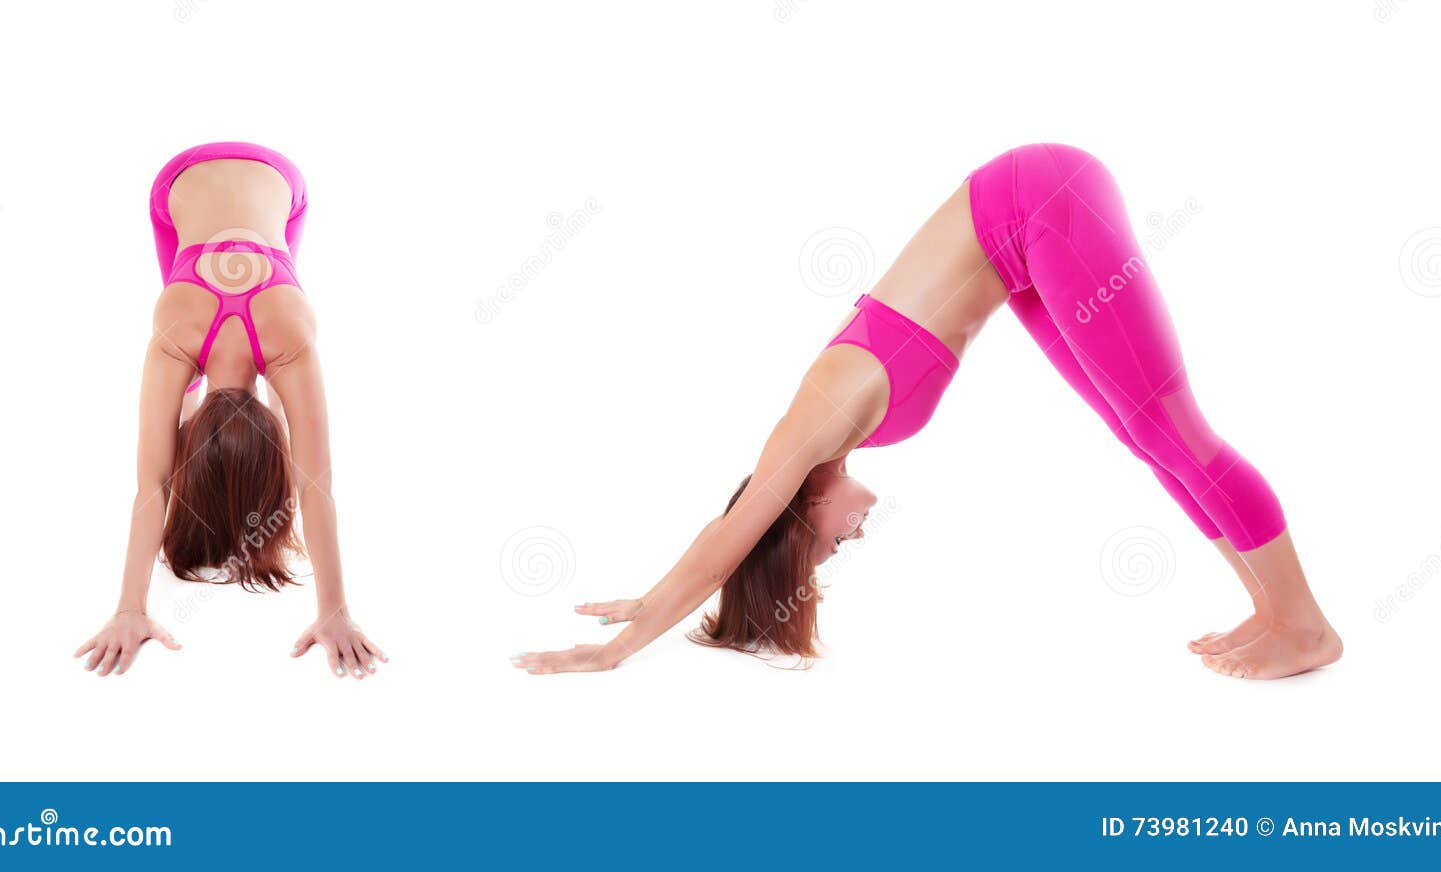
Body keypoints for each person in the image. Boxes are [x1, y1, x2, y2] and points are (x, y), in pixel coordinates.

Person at [512, 144, 1340, 681]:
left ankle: (1304, 625)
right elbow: (732, 540)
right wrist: (664, 598)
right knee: (1141, 432)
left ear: (801, 513)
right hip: (1022, 246)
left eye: (832, 543)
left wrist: (627, 640)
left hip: (1042, 200)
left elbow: (725, 539)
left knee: (1171, 424)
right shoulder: (831, 437)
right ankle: (1270, 607)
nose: (853, 539)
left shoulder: (816, 418)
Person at [75, 143, 385, 679]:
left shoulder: (281, 336)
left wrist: (131, 608)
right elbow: (158, 483)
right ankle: (191, 387)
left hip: (279, 181)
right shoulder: (198, 331)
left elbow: (308, 485)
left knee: (187, 362)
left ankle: (193, 383)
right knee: (186, 361)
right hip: (180, 182)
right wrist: (333, 613)